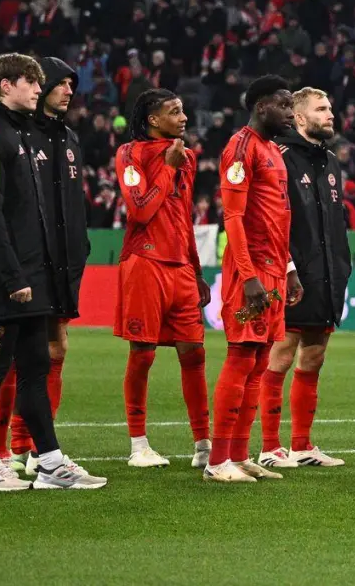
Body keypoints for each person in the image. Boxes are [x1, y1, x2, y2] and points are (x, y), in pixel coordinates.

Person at [0, 53, 105, 490]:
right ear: (5, 84)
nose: (40, 89)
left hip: (31, 274)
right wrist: (12, 275)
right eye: (31, 81)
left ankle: (50, 463)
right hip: (0, 275)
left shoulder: (21, 133)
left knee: (36, 365)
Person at [113, 89, 213, 470]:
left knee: (195, 353)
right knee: (143, 354)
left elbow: (183, 217)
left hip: (181, 269)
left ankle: (203, 444)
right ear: (154, 120)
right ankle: (139, 445)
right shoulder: (131, 153)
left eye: (183, 109)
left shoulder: (185, 156)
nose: (183, 117)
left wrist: (198, 272)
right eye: (174, 112)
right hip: (145, 262)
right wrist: (168, 167)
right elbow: (139, 210)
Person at [204, 76, 296, 484]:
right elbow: (234, 217)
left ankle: (238, 455)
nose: (290, 114)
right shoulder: (240, 148)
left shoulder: (273, 151)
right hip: (251, 272)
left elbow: (279, 217)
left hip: (275, 270)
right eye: (283, 105)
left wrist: (289, 269)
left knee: (259, 361)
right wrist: (248, 276)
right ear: (261, 106)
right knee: (241, 357)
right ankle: (216, 459)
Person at [0, 57, 90, 470]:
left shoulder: (70, 137)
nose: (68, 91)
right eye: (61, 84)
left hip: (63, 263)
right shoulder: (19, 133)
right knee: (15, 352)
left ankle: (35, 447)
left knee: (56, 347)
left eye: (72, 85)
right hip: (29, 261)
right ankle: (3, 447)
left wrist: (80, 248)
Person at [260, 88, 352, 469]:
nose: (330, 114)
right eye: (321, 109)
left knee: (314, 356)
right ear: (299, 118)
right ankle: (269, 446)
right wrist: (286, 268)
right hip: (293, 272)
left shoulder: (331, 161)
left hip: (327, 273)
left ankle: (301, 445)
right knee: (282, 352)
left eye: (330, 107)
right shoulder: (279, 158)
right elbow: (271, 221)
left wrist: (341, 267)